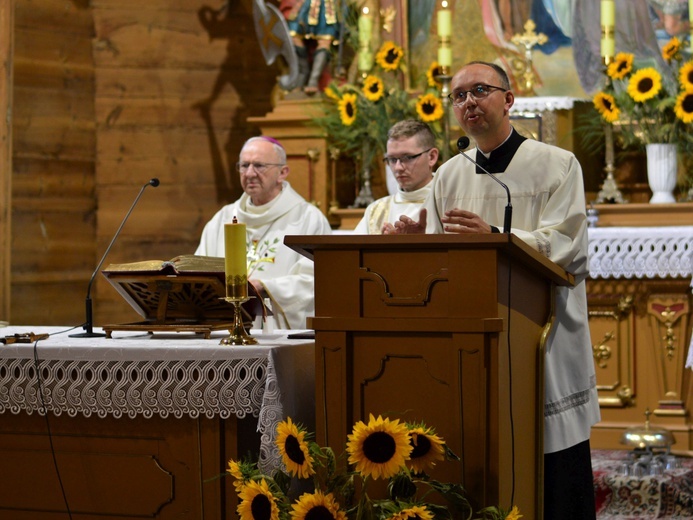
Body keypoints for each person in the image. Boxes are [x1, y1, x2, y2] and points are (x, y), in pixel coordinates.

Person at [388, 61, 600, 520]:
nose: (468, 102)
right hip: (471, 342)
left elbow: (569, 247)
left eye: (479, 90)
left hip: (540, 336)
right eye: (458, 95)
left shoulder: (557, 165)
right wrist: (413, 243)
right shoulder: (449, 175)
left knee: (553, 470)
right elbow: (441, 258)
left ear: (509, 98)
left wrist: (498, 237)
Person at [195, 136, 332, 330]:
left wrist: (264, 287)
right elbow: (198, 274)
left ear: (282, 172)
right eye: (244, 166)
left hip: (278, 335)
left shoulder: (308, 219)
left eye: (259, 165)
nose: (250, 173)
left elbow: (319, 281)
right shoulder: (222, 219)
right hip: (223, 329)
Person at [353, 120, 439, 234]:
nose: (398, 167)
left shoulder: (449, 204)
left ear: (432, 157)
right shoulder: (376, 211)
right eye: (392, 159)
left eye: (408, 157)